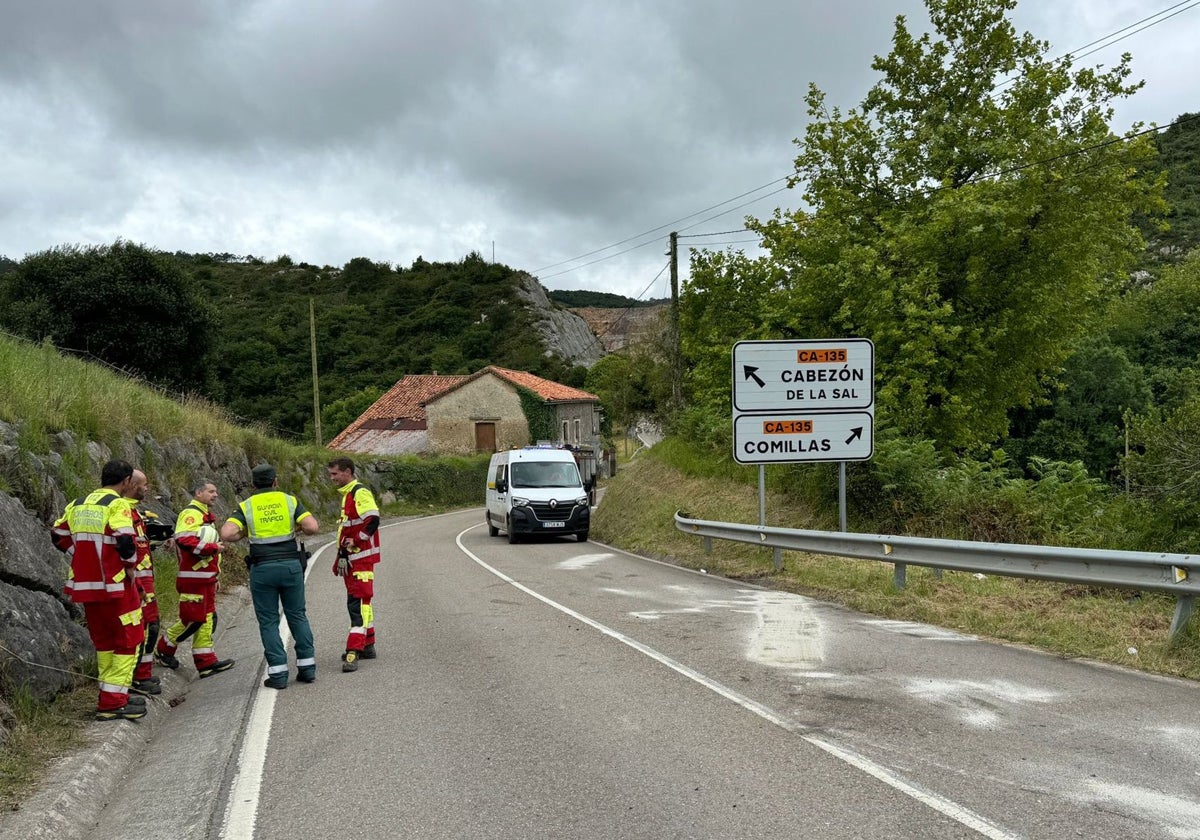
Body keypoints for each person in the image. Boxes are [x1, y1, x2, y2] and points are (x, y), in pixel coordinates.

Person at [51, 459, 147, 721]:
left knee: (104, 641)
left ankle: (110, 695)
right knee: (129, 638)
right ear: (127, 482)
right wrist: (130, 568)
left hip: (85, 585)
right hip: (115, 584)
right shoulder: (117, 504)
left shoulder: (77, 504)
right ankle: (114, 701)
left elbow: (57, 534)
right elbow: (126, 541)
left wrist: (79, 556)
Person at [221, 463, 319, 689]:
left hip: (262, 569)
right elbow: (312, 527)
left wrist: (245, 532)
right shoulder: (289, 501)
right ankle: (307, 668)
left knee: (268, 621)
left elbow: (227, 533)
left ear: (253, 484)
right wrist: (296, 527)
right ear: (276, 481)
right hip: (290, 566)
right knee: (297, 615)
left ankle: (278, 675)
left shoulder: (246, 506)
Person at [155, 480, 235, 678]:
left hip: (204, 578)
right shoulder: (191, 514)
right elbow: (184, 540)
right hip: (193, 579)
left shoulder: (204, 515)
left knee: (206, 620)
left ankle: (206, 662)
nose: (215, 495)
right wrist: (213, 548)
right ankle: (164, 650)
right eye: (211, 491)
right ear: (198, 493)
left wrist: (215, 576)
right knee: (192, 619)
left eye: (216, 491)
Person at [326, 457, 381, 673]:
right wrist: (341, 553)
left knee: (358, 604)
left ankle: (354, 650)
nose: (331, 478)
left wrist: (356, 541)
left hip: (361, 559)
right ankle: (368, 645)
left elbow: (373, 520)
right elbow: (348, 527)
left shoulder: (359, 493)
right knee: (362, 601)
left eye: (334, 474)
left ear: (347, 472)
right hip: (353, 559)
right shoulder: (348, 494)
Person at [125, 470, 163, 696]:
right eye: (144, 484)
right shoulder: (122, 511)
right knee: (142, 628)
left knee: (151, 625)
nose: (147, 488)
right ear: (131, 484)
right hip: (134, 581)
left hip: (143, 579)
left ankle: (143, 673)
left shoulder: (134, 512)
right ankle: (137, 677)